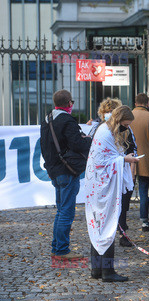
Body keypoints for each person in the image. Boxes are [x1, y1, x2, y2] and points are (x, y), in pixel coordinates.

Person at [85, 105, 138, 282]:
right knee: (107, 226)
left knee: (98, 226)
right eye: (126, 124)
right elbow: (102, 161)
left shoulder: (104, 130)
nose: (127, 127)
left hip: (98, 187)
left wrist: (122, 156)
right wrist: (125, 159)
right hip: (103, 188)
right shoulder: (106, 132)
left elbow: (107, 156)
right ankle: (107, 272)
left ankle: (97, 270)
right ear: (120, 120)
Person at [40, 89, 92, 259]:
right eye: (72, 102)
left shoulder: (47, 119)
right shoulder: (66, 120)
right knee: (66, 211)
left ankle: (57, 247)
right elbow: (77, 144)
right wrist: (88, 140)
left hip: (55, 170)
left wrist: (50, 169)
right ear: (69, 103)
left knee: (61, 210)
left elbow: (44, 147)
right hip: (67, 171)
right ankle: (62, 250)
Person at [130, 93, 149, 231]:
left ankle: (121, 220)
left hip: (129, 158)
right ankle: (144, 220)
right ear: (147, 104)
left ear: (135, 103)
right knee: (143, 190)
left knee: (126, 191)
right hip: (146, 158)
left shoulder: (128, 115)